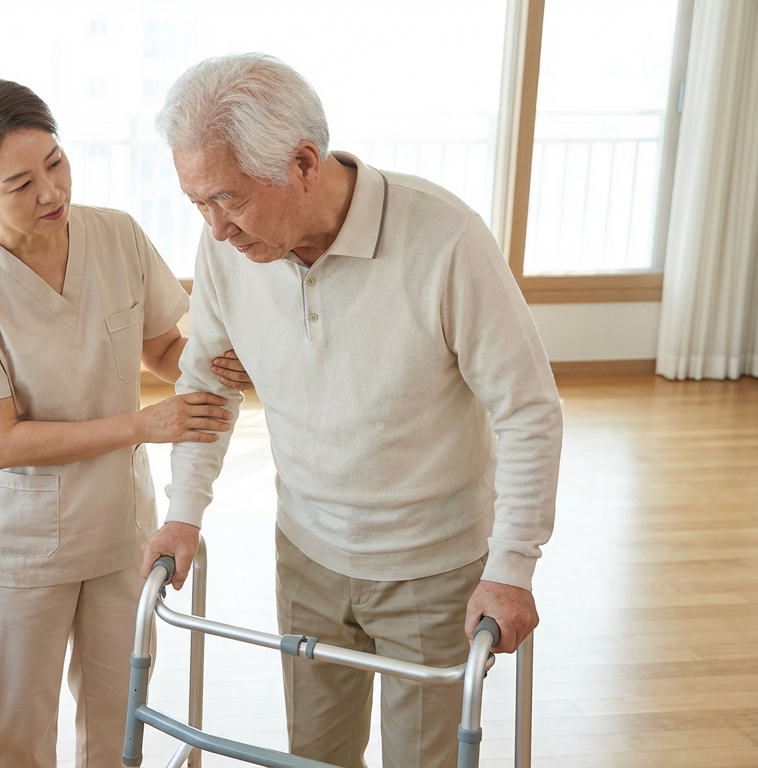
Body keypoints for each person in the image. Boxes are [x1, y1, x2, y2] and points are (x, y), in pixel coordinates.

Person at [140, 54, 563, 768]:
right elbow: (206, 384)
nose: (216, 229)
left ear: (303, 162)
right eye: (198, 204)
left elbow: (528, 410)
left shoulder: (444, 240)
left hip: (432, 568)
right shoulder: (230, 253)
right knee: (314, 756)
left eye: (230, 200)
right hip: (307, 553)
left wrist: (512, 567)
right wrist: (184, 511)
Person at [0, 79, 252, 768]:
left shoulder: (115, 235)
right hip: (17, 549)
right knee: (20, 741)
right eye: (19, 183)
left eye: (56, 163)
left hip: (116, 530)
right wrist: (142, 425)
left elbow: (162, 347)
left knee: (117, 728)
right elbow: (0, 442)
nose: (50, 192)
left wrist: (228, 365)